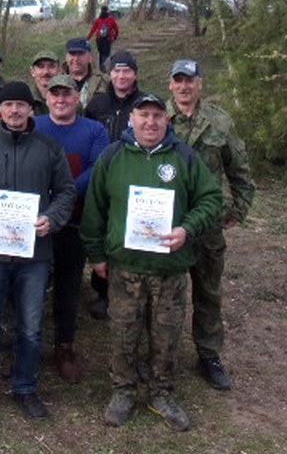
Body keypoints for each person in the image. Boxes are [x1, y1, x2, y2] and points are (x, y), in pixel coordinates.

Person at [80, 92, 222, 431]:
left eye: (157, 116)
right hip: (125, 268)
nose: (150, 122)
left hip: (169, 269)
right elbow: (94, 208)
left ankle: (162, 393)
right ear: (132, 119)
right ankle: (123, 390)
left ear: (166, 121)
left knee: (166, 335)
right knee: (123, 332)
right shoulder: (113, 156)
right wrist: (96, 255)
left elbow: (211, 199)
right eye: (143, 115)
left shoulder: (184, 157)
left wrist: (187, 229)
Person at [0, 81, 76, 424]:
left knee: (30, 328)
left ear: (30, 109)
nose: (14, 110)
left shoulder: (49, 148)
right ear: (0, 110)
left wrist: (52, 218)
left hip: (34, 254)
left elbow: (66, 192)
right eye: (7, 105)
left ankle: (25, 387)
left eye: (20, 105)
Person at [167, 58, 256, 392]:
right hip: (171, 221)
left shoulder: (220, 121)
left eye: (189, 80)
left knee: (208, 291)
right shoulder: (157, 118)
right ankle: (165, 353)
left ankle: (208, 355)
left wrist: (239, 209)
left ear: (199, 84)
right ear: (170, 84)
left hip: (208, 223)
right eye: (178, 80)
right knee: (168, 294)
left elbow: (240, 170)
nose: (184, 86)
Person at [34, 75, 109, 383]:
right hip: (35, 222)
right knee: (30, 284)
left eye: (67, 94)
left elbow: (96, 168)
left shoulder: (94, 130)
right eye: (55, 94)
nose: (61, 99)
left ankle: (64, 346)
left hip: (74, 221)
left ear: (78, 98)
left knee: (68, 285)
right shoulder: (34, 125)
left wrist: (61, 196)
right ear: (47, 97)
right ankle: (26, 344)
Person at [84, 50, 146, 320]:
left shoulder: (144, 103)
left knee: (127, 231)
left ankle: (131, 289)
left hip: (134, 176)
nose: (121, 76)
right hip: (101, 174)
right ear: (110, 74)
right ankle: (101, 292)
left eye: (127, 71)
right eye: (117, 71)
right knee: (102, 230)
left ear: (135, 74)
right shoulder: (97, 103)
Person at [63, 38, 108, 109]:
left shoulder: (104, 80)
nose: (76, 59)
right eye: (72, 54)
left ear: (90, 57)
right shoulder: (56, 80)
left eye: (80, 54)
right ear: (66, 57)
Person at [87, 5, 120, 70]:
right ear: (107, 11)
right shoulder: (111, 19)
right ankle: (104, 65)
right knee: (106, 53)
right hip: (107, 39)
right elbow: (116, 29)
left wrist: (88, 38)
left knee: (101, 53)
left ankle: (101, 66)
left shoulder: (98, 19)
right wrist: (115, 36)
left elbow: (93, 29)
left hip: (99, 39)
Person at [28, 50, 60, 115]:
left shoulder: (68, 101)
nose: (46, 72)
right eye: (41, 66)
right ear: (32, 72)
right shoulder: (25, 100)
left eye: (51, 66)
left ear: (59, 71)